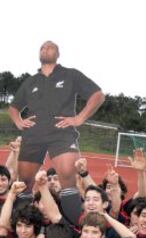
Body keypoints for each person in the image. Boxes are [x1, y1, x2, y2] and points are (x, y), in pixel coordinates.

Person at [8, 41, 105, 191]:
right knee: (25, 182)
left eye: (50, 47)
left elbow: (98, 95)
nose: (45, 49)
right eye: (42, 47)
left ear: (58, 54)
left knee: (67, 176)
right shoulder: (30, 81)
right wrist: (18, 121)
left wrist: (79, 118)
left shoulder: (70, 74)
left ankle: (69, 212)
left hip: (61, 133)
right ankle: (25, 212)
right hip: (33, 134)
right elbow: (13, 108)